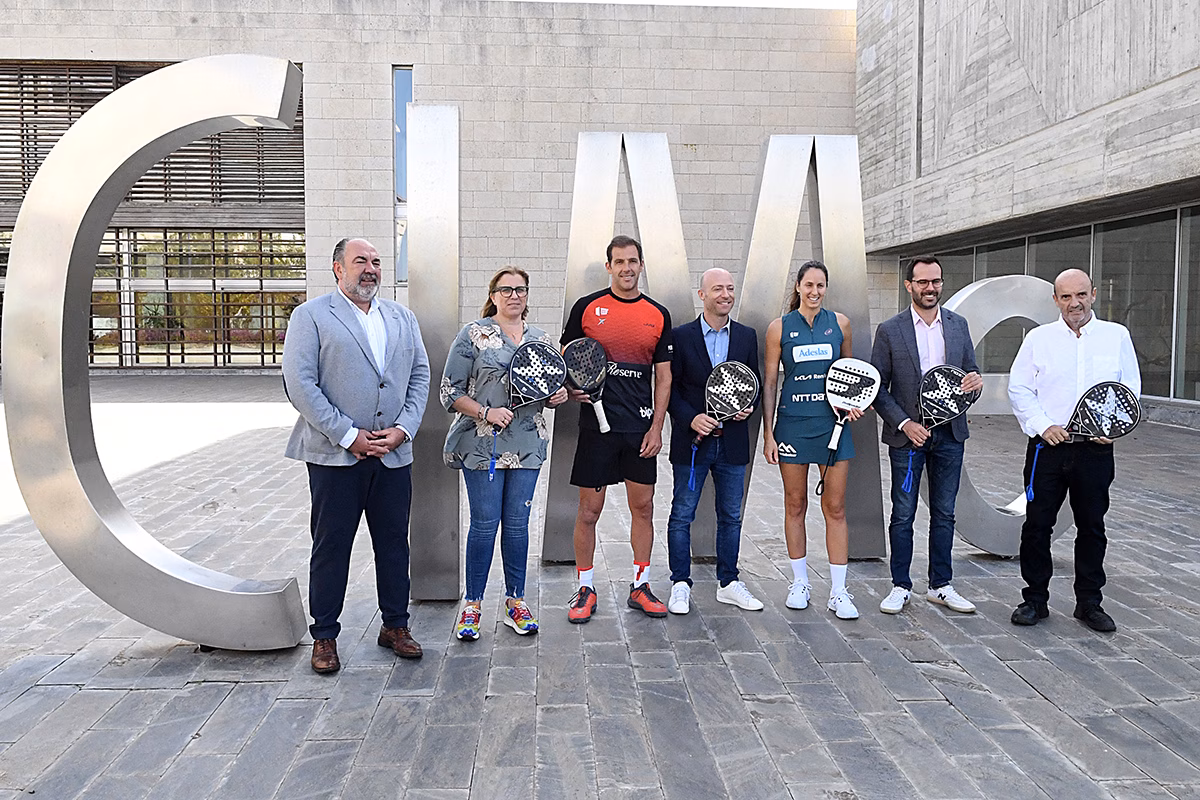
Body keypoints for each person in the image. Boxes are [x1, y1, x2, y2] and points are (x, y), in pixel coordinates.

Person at [282, 237, 430, 673]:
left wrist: (403, 429)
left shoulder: (401, 317)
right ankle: (324, 635)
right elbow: (300, 384)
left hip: (393, 454)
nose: (370, 269)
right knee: (332, 546)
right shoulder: (310, 316)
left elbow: (420, 375)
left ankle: (395, 626)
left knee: (394, 544)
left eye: (377, 262)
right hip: (335, 458)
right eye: (360, 260)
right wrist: (348, 435)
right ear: (337, 268)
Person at [1008, 268, 1141, 632]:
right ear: (1056, 300)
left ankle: (1089, 603)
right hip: (1047, 448)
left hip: (1094, 451)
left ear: (1093, 294)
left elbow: (1129, 388)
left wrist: (1112, 428)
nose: (1074, 303)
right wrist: (1042, 425)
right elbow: (1020, 388)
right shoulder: (1038, 338)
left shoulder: (1116, 335)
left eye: (1081, 295)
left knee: (1092, 527)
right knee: (1037, 526)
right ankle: (1035, 600)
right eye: (1066, 296)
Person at [441, 266, 568, 641]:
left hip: (527, 445)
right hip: (483, 445)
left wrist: (556, 396)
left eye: (521, 289)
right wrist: (485, 412)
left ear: (527, 296)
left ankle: (516, 601)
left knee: (517, 525)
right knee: (484, 524)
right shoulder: (474, 335)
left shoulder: (541, 339)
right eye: (506, 289)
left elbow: (545, 389)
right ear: (493, 295)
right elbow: (449, 391)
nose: (514, 295)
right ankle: (473, 605)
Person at [561, 235, 673, 623]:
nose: (627, 268)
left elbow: (664, 377)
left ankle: (640, 585)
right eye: (619, 261)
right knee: (589, 511)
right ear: (609, 266)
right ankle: (585, 588)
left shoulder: (658, 314)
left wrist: (657, 428)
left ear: (641, 265)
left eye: (633, 261)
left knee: (643, 508)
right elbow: (567, 359)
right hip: (596, 430)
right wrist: (572, 388)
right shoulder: (587, 308)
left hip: (639, 430)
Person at [870, 255, 983, 615]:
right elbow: (877, 386)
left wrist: (975, 385)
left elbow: (970, 376)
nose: (930, 288)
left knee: (945, 513)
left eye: (935, 281)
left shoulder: (958, 325)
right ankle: (900, 586)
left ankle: (941, 585)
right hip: (908, 438)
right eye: (922, 282)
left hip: (950, 435)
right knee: (903, 513)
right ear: (909, 286)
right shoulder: (890, 330)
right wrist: (905, 423)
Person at [761, 260, 862, 620]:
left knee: (835, 508)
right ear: (798, 287)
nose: (814, 291)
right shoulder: (779, 328)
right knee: (795, 504)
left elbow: (851, 375)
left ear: (825, 288)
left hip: (832, 426)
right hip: (792, 426)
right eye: (809, 285)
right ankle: (799, 583)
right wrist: (768, 433)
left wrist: (854, 403)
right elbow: (770, 383)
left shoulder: (841, 324)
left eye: (820, 285)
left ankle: (839, 591)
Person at [665, 268, 763, 614]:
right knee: (682, 514)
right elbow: (670, 389)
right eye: (718, 288)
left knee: (731, 517)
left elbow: (755, 384)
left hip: (732, 443)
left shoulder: (747, 336)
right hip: (692, 443)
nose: (726, 294)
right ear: (702, 294)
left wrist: (748, 406)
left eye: (730, 288)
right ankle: (680, 583)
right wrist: (691, 418)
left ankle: (729, 583)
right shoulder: (681, 336)